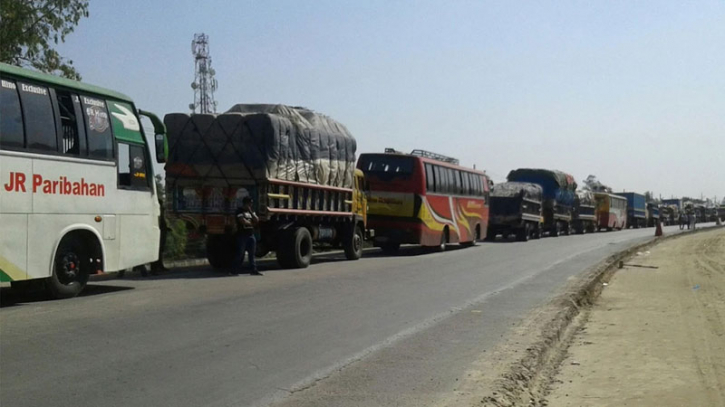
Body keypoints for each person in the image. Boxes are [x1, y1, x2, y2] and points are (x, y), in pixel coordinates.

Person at [233, 197, 262, 276]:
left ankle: (253, 270)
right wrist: (251, 223)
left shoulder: (251, 212)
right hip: (242, 235)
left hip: (250, 235)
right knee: (240, 254)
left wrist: (251, 212)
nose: (251, 205)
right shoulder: (239, 211)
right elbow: (242, 221)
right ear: (245, 203)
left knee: (252, 254)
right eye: (250, 203)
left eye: (251, 203)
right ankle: (235, 270)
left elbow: (257, 220)